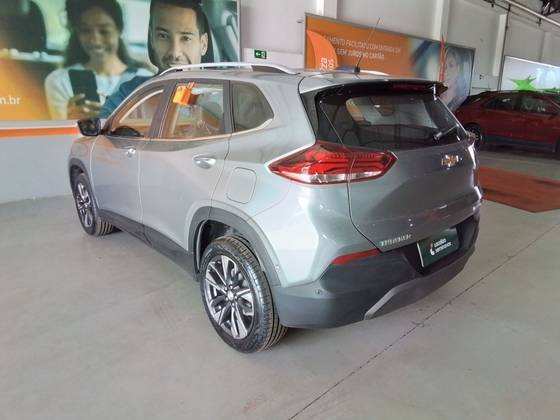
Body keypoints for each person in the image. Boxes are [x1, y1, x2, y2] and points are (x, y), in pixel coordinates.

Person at [100, 0, 210, 118]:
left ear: (203, 44)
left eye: (186, 38)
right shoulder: (130, 95)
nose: (174, 53)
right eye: (163, 36)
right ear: (152, 39)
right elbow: (103, 123)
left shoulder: (220, 96)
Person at [44, 0, 152, 120]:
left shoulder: (145, 79)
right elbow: (60, 130)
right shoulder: (60, 80)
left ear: (119, 29)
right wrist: (69, 122)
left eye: (104, 31)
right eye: (85, 30)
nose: (95, 40)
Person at [440, 47, 471, 111]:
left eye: (451, 65)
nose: (446, 72)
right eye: (444, 66)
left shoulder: (461, 101)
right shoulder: (435, 98)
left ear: (457, 69)